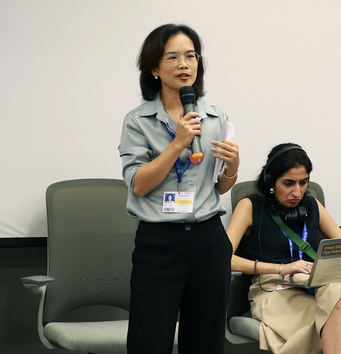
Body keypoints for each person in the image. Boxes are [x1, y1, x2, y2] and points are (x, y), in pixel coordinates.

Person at [118, 23, 239, 354]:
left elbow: (221, 187)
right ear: (154, 68)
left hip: (209, 242)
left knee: (205, 343)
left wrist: (234, 166)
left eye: (191, 56)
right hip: (160, 246)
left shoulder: (216, 117)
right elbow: (139, 185)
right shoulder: (137, 121)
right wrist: (177, 143)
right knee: (150, 342)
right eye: (172, 57)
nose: (184, 64)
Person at [227, 143, 341, 354]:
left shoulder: (312, 205)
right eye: (288, 183)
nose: (298, 191)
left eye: (304, 183)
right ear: (270, 181)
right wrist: (282, 269)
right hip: (272, 291)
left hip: (313, 288)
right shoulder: (249, 207)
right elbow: (224, 259)